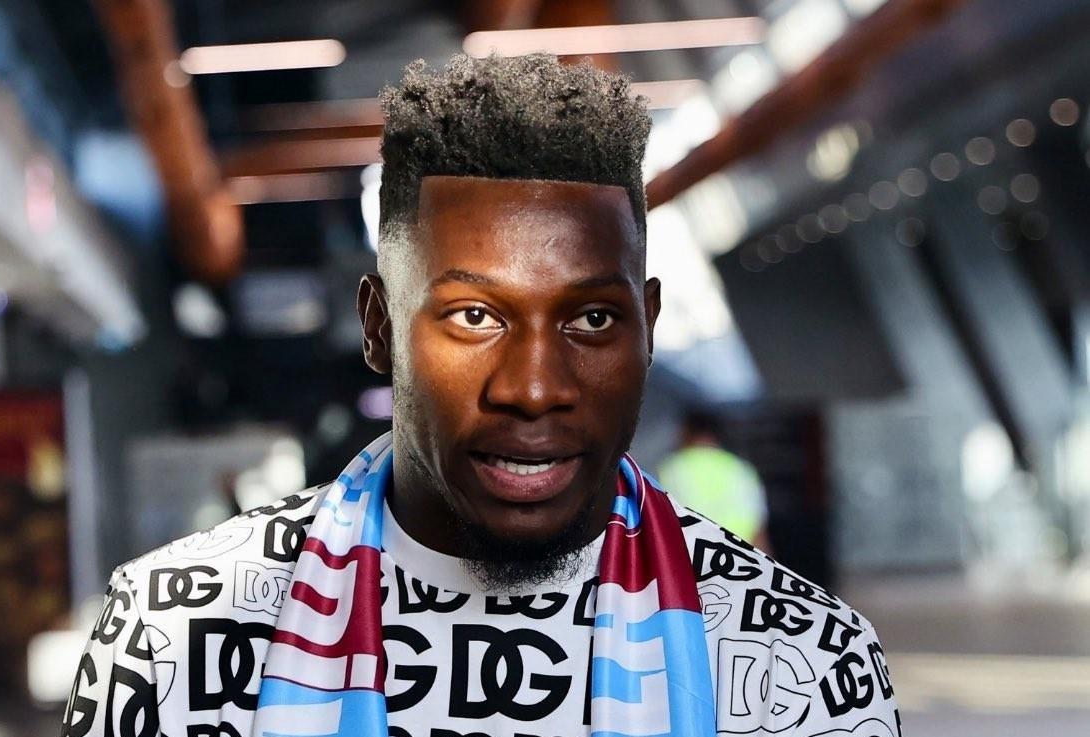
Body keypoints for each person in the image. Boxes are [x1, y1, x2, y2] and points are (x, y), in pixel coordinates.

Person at [62, 54, 899, 737]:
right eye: (473, 315)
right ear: (379, 325)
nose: (532, 388)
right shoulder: (173, 638)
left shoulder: (803, 662)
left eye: (592, 318)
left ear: (646, 328)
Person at [658, 409, 771, 552]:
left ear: (686, 432)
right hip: (738, 555)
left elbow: (660, 521)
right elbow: (758, 528)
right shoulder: (741, 468)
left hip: (694, 554)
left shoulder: (672, 468)